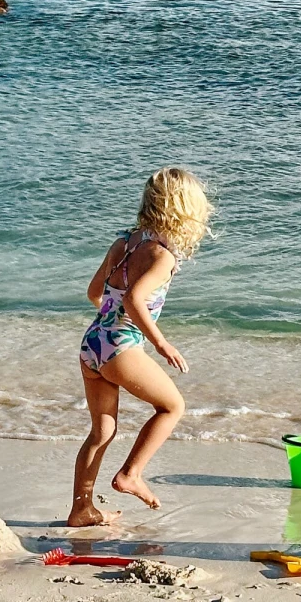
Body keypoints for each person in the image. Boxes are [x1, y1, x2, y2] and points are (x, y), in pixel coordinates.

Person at [69, 167, 213, 527]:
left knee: (102, 431)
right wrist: (160, 343)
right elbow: (135, 299)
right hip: (120, 344)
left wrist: (110, 320)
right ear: (186, 209)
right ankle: (131, 474)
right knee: (172, 406)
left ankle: (81, 509)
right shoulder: (163, 256)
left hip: (93, 342)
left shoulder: (125, 242)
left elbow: (94, 293)